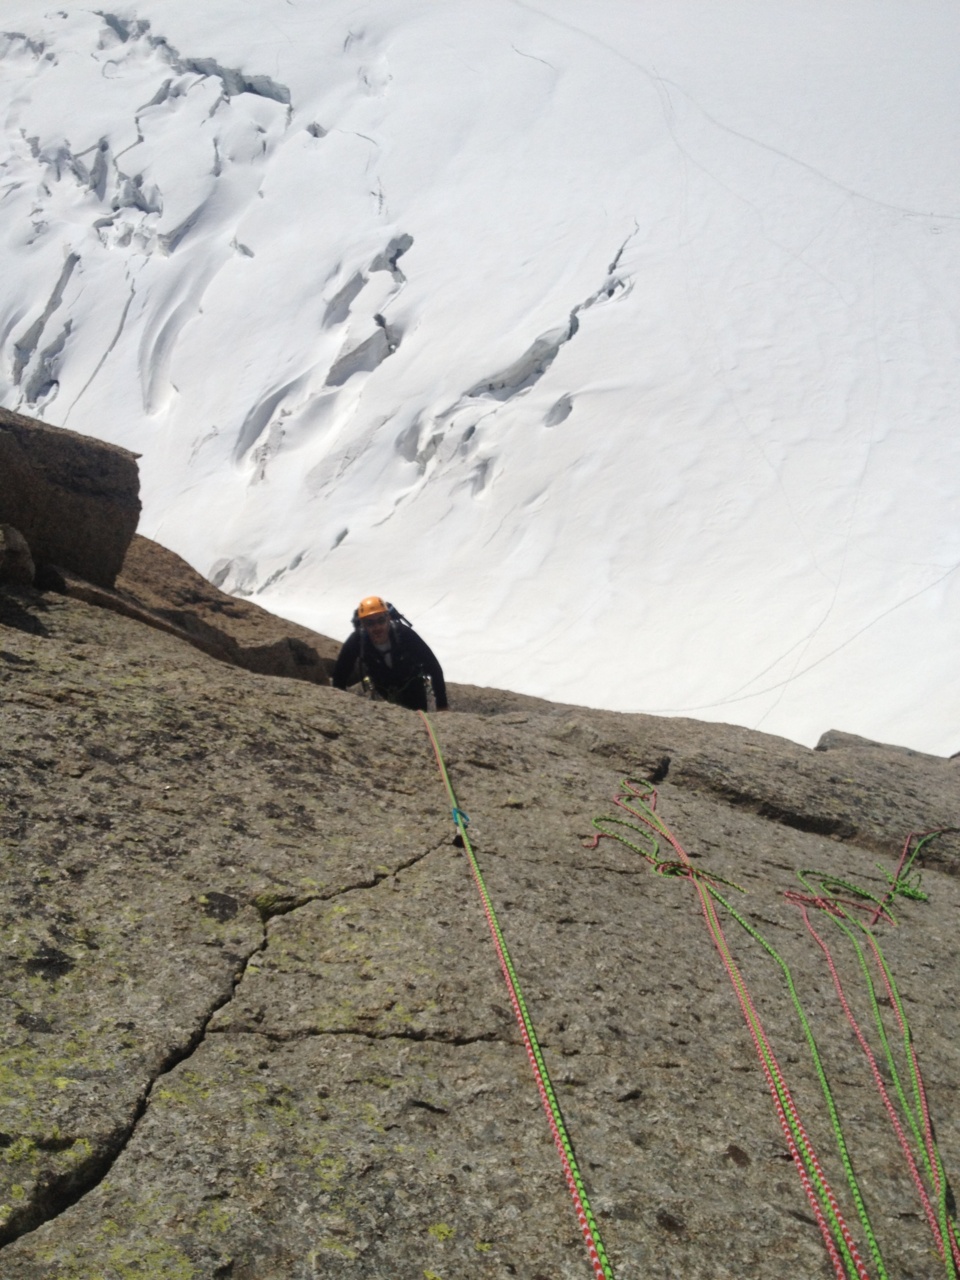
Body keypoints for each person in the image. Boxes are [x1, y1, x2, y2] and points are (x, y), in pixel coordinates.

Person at [331, 596, 449, 711]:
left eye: (381, 620)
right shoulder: (357, 640)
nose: (377, 627)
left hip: (413, 689)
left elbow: (433, 666)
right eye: (370, 623)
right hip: (383, 691)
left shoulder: (404, 634)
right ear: (363, 624)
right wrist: (340, 705)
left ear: (388, 618)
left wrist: (442, 704)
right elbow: (341, 673)